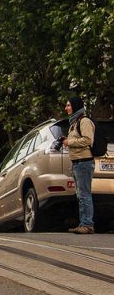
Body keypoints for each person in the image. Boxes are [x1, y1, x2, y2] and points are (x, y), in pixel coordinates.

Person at [62, 96, 95, 234]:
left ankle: (87, 224)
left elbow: (88, 140)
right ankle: (84, 223)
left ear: (75, 106)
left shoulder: (84, 121)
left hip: (84, 162)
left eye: (68, 105)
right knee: (80, 195)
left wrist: (69, 142)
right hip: (77, 163)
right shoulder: (74, 123)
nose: (66, 108)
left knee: (84, 195)